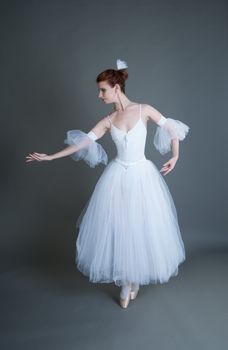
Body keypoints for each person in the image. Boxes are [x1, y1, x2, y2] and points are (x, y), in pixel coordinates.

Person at [26, 59, 190, 309]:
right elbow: (83, 143)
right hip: (117, 177)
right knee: (121, 227)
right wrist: (51, 156)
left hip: (142, 176)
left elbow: (171, 129)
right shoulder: (109, 119)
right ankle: (127, 280)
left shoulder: (144, 109)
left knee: (141, 226)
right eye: (99, 90)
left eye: (102, 90)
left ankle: (133, 278)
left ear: (116, 88)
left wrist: (175, 156)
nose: (99, 95)